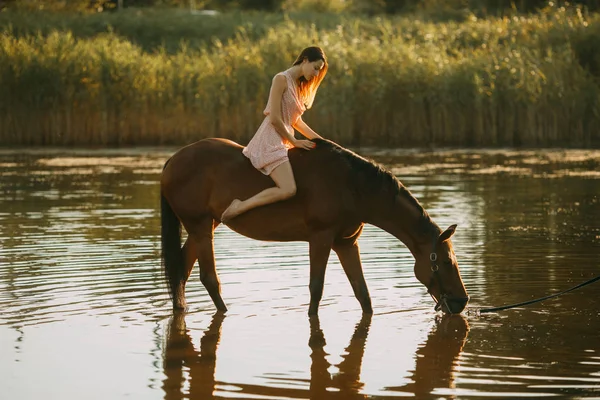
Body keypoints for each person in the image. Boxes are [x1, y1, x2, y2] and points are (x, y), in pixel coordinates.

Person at [220, 46, 329, 223]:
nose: (316, 74)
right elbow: (275, 119)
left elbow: (296, 121)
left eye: (320, 70)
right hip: (270, 139)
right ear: (305, 60)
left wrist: (322, 141)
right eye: (315, 68)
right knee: (288, 189)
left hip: (282, 139)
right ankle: (240, 206)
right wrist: (294, 141)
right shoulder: (281, 79)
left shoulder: (298, 85)